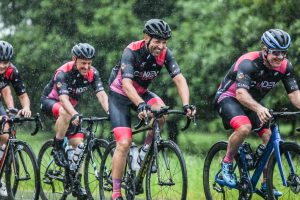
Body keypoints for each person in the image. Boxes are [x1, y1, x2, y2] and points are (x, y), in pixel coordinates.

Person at [108, 19, 196, 200]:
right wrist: (140, 104)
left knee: (161, 112)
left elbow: (179, 79)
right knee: (124, 143)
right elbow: (126, 84)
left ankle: (143, 153)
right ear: (146, 37)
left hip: (141, 92)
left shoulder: (165, 53)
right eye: (157, 41)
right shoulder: (131, 51)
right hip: (120, 95)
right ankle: (116, 193)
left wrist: (186, 104)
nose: (161, 46)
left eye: (164, 42)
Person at [214, 29, 300, 196]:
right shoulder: (249, 62)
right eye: (276, 52)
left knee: (269, 136)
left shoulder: (285, 66)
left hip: (251, 102)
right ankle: (227, 163)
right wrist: (259, 108)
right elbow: (240, 94)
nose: (280, 57)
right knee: (244, 127)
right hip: (228, 97)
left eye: (284, 52)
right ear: (265, 49)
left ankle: (265, 184)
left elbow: (295, 96)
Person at [40, 43, 109, 198]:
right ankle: (57, 146)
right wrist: (74, 114)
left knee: (79, 146)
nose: (86, 67)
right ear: (74, 59)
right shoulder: (63, 72)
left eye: (89, 63)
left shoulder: (92, 73)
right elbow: (63, 99)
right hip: (50, 102)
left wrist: (110, 111)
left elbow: (101, 94)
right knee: (66, 113)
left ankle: (75, 182)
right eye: (83, 63)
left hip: (69, 109)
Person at [0, 40, 31, 197]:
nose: (2, 66)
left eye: (5, 62)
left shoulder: (12, 71)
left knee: (5, 134)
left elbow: (23, 96)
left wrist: (25, 108)